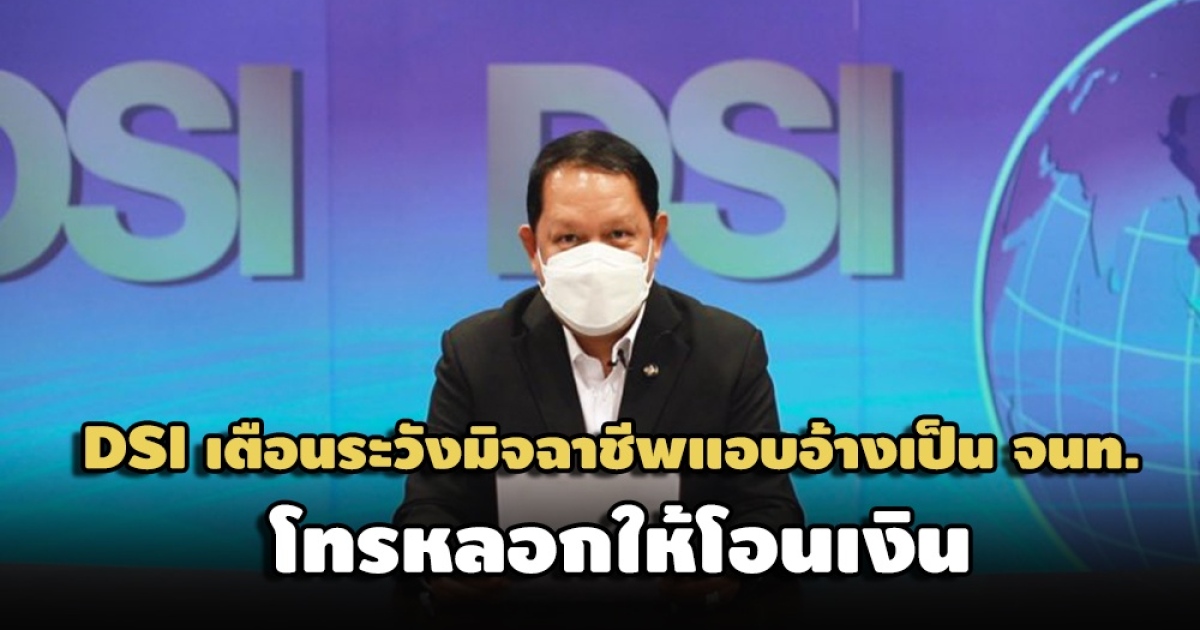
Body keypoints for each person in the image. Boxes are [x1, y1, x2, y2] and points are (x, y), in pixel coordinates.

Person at [392, 129, 804, 622]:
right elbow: (429, 509)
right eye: (568, 239)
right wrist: (445, 564)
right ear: (532, 248)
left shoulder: (727, 350)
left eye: (618, 235)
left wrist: (729, 565)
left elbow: (771, 511)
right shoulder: (476, 353)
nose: (595, 260)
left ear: (656, 239)